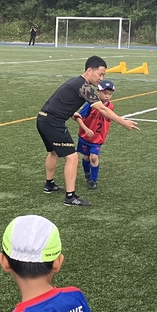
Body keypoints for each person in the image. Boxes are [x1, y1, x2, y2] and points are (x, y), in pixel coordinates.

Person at [37, 56, 139, 207]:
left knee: (53, 152)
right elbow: (103, 109)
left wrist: (70, 113)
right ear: (90, 70)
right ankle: (70, 197)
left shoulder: (75, 82)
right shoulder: (84, 87)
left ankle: (49, 185)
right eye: (100, 74)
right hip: (53, 123)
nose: (101, 78)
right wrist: (124, 122)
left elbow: (60, 101)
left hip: (43, 119)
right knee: (72, 157)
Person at [72, 80, 122, 191]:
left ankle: (93, 180)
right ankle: (87, 173)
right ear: (98, 92)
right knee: (86, 157)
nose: (108, 96)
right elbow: (77, 116)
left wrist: (104, 134)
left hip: (97, 139)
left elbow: (108, 121)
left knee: (94, 157)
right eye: (105, 93)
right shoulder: (90, 105)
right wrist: (86, 129)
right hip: (86, 137)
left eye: (110, 94)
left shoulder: (110, 107)